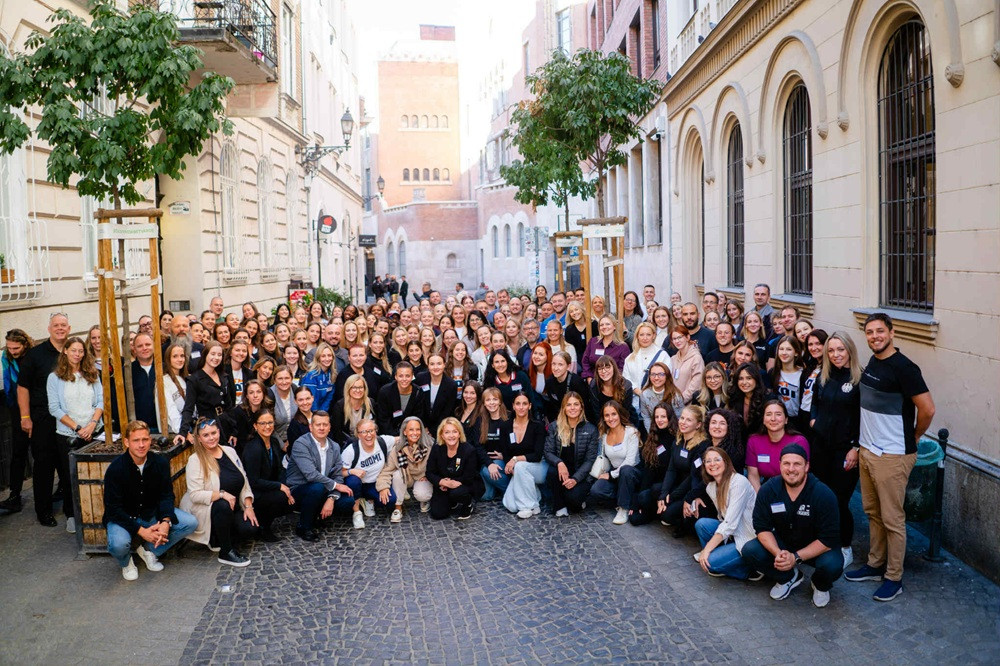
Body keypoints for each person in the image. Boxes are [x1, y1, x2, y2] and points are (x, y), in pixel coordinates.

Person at [845, 313, 935, 602]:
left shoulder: (905, 368)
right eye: (870, 332)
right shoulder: (874, 361)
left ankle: (893, 577)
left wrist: (915, 436)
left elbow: (928, 409)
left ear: (892, 332)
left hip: (893, 454)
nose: (874, 336)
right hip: (868, 450)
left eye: (880, 331)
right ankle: (874, 564)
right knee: (872, 512)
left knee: (893, 519)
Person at [741, 444, 843, 607]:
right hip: (784, 545)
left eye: (797, 464)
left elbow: (828, 539)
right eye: (786, 463)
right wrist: (779, 555)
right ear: (780, 464)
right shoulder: (768, 490)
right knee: (750, 550)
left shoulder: (823, 494)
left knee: (833, 565)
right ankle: (788, 577)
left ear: (807, 466)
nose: (791, 469)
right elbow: (761, 527)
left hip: (817, 548)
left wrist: (795, 557)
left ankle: (820, 584)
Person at [103, 420, 198, 580]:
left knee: (190, 523)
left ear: (150, 440)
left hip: (151, 514)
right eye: (136, 440)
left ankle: (148, 551)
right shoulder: (115, 469)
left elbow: (166, 495)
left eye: (145, 439)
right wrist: (140, 531)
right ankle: (126, 563)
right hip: (124, 518)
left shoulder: (159, 462)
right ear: (126, 442)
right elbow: (113, 509)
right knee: (118, 544)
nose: (141, 445)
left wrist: (166, 521)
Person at [810, 332, 862, 569]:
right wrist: (814, 420)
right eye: (831, 350)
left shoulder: (859, 381)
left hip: (845, 451)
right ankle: (821, 541)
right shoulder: (824, 376)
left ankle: (844, 546)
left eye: (840, 349)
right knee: (821, 496)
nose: (836, 354)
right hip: (820, 448)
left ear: (849, 350)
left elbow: (864, 418)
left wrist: (856, 447)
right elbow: (813, 404)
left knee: (839, 500)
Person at [180, 417, 259, 567]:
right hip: (208, 508)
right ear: (199, 439)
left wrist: (248, 506)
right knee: (222, 504)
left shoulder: (229, 451)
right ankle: (226, 551)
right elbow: (195, 494)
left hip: (233, 506)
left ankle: (218, 536)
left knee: (251, 528)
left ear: (218, 432)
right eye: (206, 435)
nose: (211, 438)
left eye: (213, 433)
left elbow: (244, 479)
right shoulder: (195, 460)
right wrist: (221, 494)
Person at [46, 335, 104, 533]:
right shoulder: (54, 378)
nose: (77, 354)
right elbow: (55, 408)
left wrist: (92, 424)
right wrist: (78, 428)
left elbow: (101, 402)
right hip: (68, 435)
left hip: (93, 432)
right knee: (70, 477)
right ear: (65, 351)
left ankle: (96, 512)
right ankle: (72, 514)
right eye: (73, 350)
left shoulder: (92, 373)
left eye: (80, 351)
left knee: (94, 475)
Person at [17, 312, 70, 527]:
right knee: (44, 468)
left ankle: (72, 511)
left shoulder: (74, 351)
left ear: (69, 328)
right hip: (42, 420)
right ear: (49, 328)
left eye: (63, 325)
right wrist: (25, 417)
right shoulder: (35, 355)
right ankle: (44, 511)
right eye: (56, 325)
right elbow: (23, 388)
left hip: (69, 420)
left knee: (68, 467)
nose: (60, 328)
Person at [284, 411, 355, 541]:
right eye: (318, 425)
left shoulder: (335, 446)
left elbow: (338, 475)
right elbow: (311, 475)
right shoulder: (301, 444)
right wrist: (337, 486)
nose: (321, 428)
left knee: (348, 501)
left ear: (329, 427)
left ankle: (316, 515)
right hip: (299, 490)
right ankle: (304, 526)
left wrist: (332, 498)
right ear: (311, 427)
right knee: (317, 487)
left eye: (325, 424)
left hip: (324, 489)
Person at [692, 447, 759, 581]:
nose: (712, 464)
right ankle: (723, 560)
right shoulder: (711, 487)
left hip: (748, 537)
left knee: (711, 563)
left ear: (726, 462)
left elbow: (729, 524)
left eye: (717, 459)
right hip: (733, 533)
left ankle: (750, 570)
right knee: (702, 524)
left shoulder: (739, 482)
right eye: (708, 461)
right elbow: (723, 519)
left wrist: (706, 551)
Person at [239, 410, 294, 541]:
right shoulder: (253, 448)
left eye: (270, 422)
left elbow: (280, 469)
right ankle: (263, 527)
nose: (267, 426)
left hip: (267, 487)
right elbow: (253, 481)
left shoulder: (274, 442)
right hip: (255, 493)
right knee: (281, 497)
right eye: (262, 423)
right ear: (255, 426)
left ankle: (265, 522)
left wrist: (285, 486)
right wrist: (279, 486)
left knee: (291, 493)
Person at [544, 392, 599, 516]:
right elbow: (548, 452)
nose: (572, 408)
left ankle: (575, 498)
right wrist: (559, 463)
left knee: (574, 501)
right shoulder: (555, 426)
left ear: (581, 407)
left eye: (576, 404)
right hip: (562, 473)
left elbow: (590, 460)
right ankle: (559, 506)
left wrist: (575, 479)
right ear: (564, 408)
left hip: (581, 476)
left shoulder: (591, 429)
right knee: (552, 471)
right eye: (568, 405)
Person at [657, 405, 709, 536]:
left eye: (688, 420)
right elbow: (671, 469)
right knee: (654, 492)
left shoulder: (702, 445)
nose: (683, 422)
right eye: (682, 418)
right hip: (677, 485)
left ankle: (683, 524)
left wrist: (673, 496)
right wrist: (664, 494)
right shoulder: (678, 440)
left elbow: (693, 476)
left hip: (691, 489)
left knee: (667, 514)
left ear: (698, 425)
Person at [624, 402, 678, 525]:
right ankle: (652, 509)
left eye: (663, 417)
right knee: (635, 518)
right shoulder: (653, 437)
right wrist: (636, 501)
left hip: (669, 487)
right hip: (653, 487)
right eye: (657, 417)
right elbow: (647, 471)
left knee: (649, 494)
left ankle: (657, 508)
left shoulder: (676, 439)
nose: (660, 420)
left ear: (670, 417)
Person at [588, 401, 641, 525]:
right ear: (604, 418)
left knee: (626, 469)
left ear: (619, 414)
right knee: (596, 490)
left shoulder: (631, 432)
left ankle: (623, 508)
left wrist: (611, 475)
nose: (611, 418)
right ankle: (626, 498)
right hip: (615, 474)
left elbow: (630, 461)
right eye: (607, 415)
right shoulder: (604, 435)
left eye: (613, 414)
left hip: (632, 474)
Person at [340, 419, 396, 529]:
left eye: (371, 431)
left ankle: (367, 500)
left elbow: (401, 439)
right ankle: (357, 512)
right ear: (358, 434)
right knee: (353, 480)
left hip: (376, 482)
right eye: (364, 432)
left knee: (390, 501)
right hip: (358, 484)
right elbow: (340, 473)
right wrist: (352, 471)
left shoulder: (382, 441)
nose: (368, 435)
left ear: (376, 431)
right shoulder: (351, 451)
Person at [500, 393, 549, 519]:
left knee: (520, 465)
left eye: (524, 403)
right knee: (510, 505)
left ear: (530, 406)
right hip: (518, 470)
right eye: (518, 403)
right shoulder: (505, 426)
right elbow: (506, 454)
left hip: (539, 467)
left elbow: (537, 456)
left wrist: (515, 459)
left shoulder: (538, 426)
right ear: (513, 406)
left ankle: (527, 507)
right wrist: (511, 465)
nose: (521, 407)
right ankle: (535, 496)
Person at [0, 329, 33, 514]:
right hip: (16, 409)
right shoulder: (6, 357)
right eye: (10, 347)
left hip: (35, 409)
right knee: (18, 453)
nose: (12, 351)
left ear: (25, 344)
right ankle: (15, 495)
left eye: (16, 347)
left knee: (44, 452)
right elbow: (8, 382)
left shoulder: (32, 356)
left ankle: (60, 487)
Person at [376, 416, 434, 522]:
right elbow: (387, 470)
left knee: (423, 495)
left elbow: (436, 467)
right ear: (404, 432)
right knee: (397, 474)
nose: (414, 433)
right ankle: (398, 507)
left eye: (417, 429)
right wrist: (383, 487)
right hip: (406, 477)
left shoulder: (429, 447)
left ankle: (425, 500)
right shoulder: (397, 449)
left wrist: (428, 475)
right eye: (411, 429)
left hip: (422, 477)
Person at [177, 341, 235, 444]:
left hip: (225, 424)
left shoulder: (224, 376)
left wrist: (234, 431)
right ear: (205, 355)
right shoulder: (195, 379)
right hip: (209, 427)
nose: (216, 358)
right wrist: (183, 432)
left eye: (219, 355)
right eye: (213, 354)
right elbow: (188, 409)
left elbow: (229, 407)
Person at [746, 400, 810, 491]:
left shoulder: (799, 441)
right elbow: (753, 475)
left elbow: (801, 475)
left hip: (793, 488)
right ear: (763, 420)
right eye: (768, 414)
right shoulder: (754, 441)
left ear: (786, 420)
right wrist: (761, 499)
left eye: (778, 414)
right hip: (765, 489)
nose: (773, 418)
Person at [426, 417, 478, 520]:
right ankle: (451, 502)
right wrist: (442, 482)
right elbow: (429, 472)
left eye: (454, 432)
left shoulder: (469, 450)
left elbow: (469, 477)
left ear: (459, 434)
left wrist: (450, 483)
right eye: (447, 432)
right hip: (443, 485)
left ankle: (468, 504)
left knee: (457, 493)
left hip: (464, 484)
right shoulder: (437, 448)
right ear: (442, 435)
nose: (451, 436)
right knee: (437, 514)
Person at [623, 322, 672, 413]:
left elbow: (668, 378)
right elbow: (626, 379)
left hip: (658, 404)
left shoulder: (663, 355)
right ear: (637, 336)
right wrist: (637, 391)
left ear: (654, 335)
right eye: (641, 335)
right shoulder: (630, 358)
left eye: (648, 334)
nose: (645, 338)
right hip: (635, 405)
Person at [375, 361, 428, 436]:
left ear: (412, 376)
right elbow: (383, 420)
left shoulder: (418, 392)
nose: (404, 379)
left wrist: (407, 435)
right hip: (389, 435)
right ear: (395, 376)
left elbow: (418, 417)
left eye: (407, 376)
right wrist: (395, 437)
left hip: (411, 434)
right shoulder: (385, 392)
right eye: (401, 376)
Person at [542, 351, 595, 425]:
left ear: (568, 366)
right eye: (553, 364)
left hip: (579, 420)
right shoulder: (549, 382)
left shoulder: (577, 382)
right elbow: (551, 406)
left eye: (560, 364)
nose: (556, 368)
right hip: (561, 419)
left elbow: (586, 406)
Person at [415, 353, 458, 435]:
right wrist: (423, 427)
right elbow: (418, 405)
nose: (435, 367)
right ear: (428, 365)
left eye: (439, 364)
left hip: (440, 426)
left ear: (444, 365)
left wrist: (433, 431)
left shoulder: (451, 385)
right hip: (421, 424)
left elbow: (447, 411)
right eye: (432, 364)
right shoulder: (420, 378)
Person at [639, 361, 684, 430]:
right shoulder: (645, 395)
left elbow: (679, 418)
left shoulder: (675, 396)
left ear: (667, 376)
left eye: (661, 374)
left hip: (672, 431)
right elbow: (646, 417)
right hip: (654, 431)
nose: (656, 378)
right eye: (653, 374)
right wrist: (652, 434)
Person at [668, 326, 705, 402]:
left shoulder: (696, 358)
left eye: (680, 337)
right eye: (674, 339)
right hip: (673, 403)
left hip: (689, 405)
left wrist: (681, 400)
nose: (677, 341)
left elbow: (696, 384)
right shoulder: (673, 359)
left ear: (687, 337)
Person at [300, 343, 337, 413]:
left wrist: (323, 412)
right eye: (323, 356)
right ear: (318, 358)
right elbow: (311, 399)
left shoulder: (332, 374)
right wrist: (317, 414)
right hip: (309, 412)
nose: (327, 359)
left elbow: (329, 398)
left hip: (323, 412)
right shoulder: (311, 376)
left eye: (329, 355)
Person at [285, 385, 315, 454]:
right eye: (301, 400)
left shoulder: (319, 417)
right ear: (295, 401)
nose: (305, 403)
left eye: (307, 398)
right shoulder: (294, 424)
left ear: (312, 398)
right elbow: (295, 450)